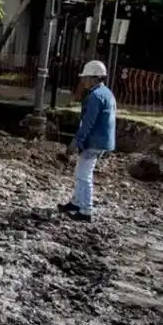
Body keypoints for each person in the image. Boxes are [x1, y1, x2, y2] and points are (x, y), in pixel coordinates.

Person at [58, 60, 116, 222]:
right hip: (102, 140)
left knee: (84, 175)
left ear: (94, 78)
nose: (83, 81)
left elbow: (88, 124)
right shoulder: (106, 93)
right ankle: (76, 203)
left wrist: (75, 143)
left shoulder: (95, 97)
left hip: (95, 141)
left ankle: (86, 211)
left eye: (86, 78)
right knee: (80, 172)